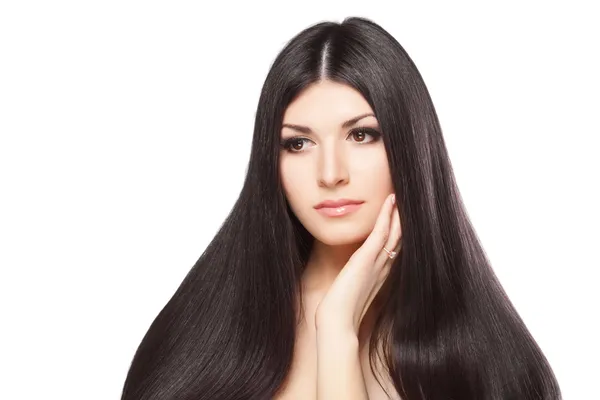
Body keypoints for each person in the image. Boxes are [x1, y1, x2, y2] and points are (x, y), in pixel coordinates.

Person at [120, 17, 562, 400]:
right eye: (299, 143)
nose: (330, 173)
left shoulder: (489, 364)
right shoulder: (201, 336)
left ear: (410, 147)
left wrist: (336, 330)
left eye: (362, 135)